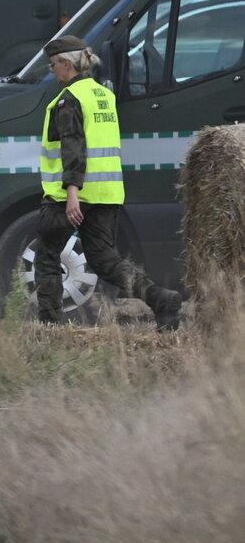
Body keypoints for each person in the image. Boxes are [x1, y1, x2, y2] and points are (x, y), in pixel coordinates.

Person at [33, 35, 182, 329]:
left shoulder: (69, 98)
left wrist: (72, 192)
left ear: (66, 63)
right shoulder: (103, 95)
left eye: (53, 64)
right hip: (107, 192)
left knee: (47, 255)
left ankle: (49, 325)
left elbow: (74, 146)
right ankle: (160, 298)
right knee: (104, 261)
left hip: (72, 195)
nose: (52, 70)